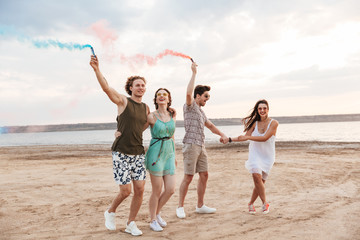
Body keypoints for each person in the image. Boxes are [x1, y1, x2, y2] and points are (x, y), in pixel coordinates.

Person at [90, 55, 149, 236]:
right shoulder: (123, 101)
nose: (141, 87)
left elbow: (143, 126)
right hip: (121, 152)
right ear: (130, 88)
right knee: (125, 191)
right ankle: (110, 211)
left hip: (138, 153)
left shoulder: (146, 107)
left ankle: (131, 223)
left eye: (143, 85)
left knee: (139, 190)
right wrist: (97, 69)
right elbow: (106, 88)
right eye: (137, 85)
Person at [176, 61, 229, 219]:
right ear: (197, 96)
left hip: (201, 145)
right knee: (189, 176)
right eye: (205, 96)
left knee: (204, 174)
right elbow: (188, 94)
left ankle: (200, 206)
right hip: (190, 145)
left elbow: (210, 125)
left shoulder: (200, 111)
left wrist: (223, 135)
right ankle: (180, 207)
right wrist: (193, 73)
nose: (207, 99)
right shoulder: (190, 105)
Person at [228, 99, 279, 214]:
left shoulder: (274, 123)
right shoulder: (254, 124)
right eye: (260, 108)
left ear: (268, 109)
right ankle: (264, 203)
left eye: (264, 108)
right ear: (257, 110)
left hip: (268, 156)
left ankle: (250, 203)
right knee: (256, 177)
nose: (262, 110)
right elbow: (243, 137)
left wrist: (248, 138)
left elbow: (265, 138)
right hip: (255, 154)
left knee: (259, 183)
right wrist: (229, 139)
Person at [145, 88, 177, 232]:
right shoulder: (151, 116)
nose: (162, 96)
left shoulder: (173, 114)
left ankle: (157, 213)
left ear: (169, 98)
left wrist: (175, 155)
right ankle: (152, 219)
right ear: (156, 99)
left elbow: (173, 136)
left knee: (170, 189)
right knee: (156, 190)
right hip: (155, 153)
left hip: (169, 152)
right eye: (159, 95)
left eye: (165, 94)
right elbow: (137, 130)